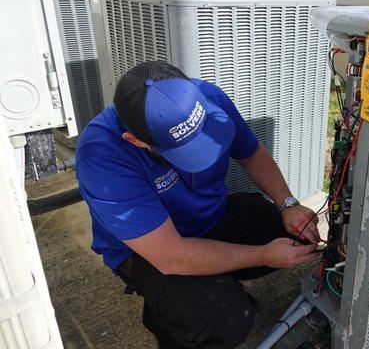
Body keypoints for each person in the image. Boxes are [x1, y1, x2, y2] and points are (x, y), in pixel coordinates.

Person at [76, 60, 320, 348]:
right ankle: (171, 316)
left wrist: (288, 203)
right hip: (149, 251)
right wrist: (263, 255)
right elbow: (171, 255)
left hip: (209, 218)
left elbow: (251, 153)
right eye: (184, 152)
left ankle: (212, 277)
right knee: (224, 319)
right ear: (136, 141)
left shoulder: (208, 97)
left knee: (288, 232)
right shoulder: (102, 157)